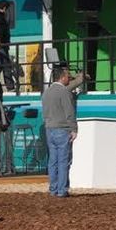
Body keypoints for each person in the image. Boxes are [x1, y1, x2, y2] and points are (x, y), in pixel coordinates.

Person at [42, 67, 78, 197]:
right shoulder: (65, 92)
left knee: (53, 160)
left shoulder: (46, 92)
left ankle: (53, 188)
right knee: (63, 160)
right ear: (62, 77)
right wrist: (74, 129)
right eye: (68, 76)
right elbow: (69, 112)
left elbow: (45, 112)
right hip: (62, 129)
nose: (69, 78)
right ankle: (62, 190)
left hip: (49, 128)